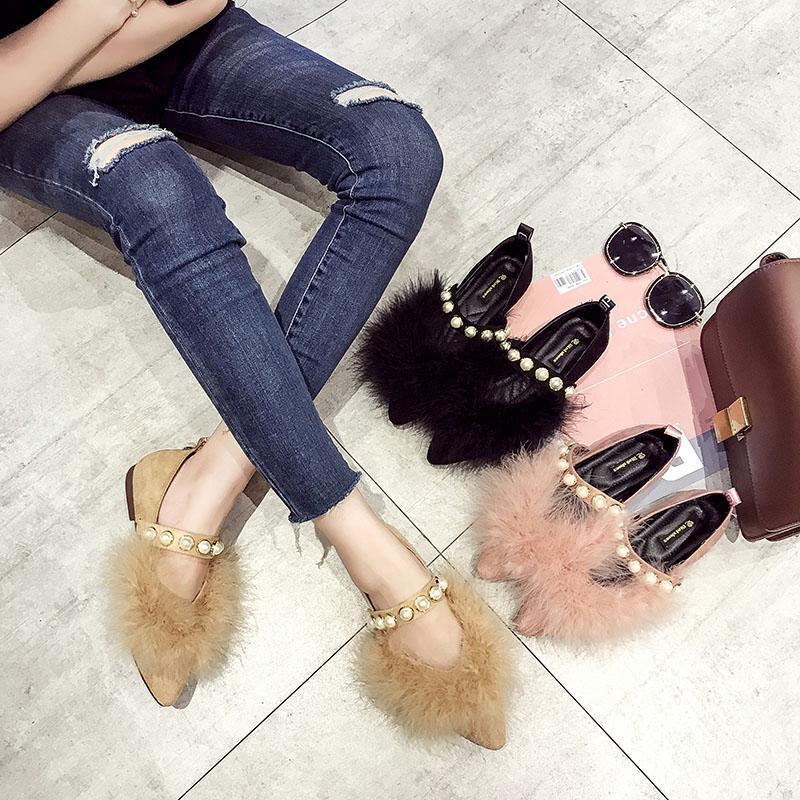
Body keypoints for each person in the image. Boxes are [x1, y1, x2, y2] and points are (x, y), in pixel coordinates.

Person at [0, 0, 512, 748]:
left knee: (398, 147)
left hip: (171, 36)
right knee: (155, 184)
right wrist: (95, 12)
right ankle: (356, 534)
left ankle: (208, 478)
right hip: (25, 99)